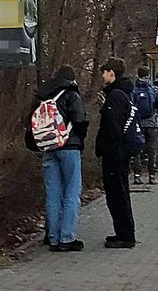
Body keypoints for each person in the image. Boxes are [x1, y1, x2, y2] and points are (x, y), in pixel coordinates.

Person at [32, 65, 88, 252]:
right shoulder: (72, 95)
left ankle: (53, 237)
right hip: (69, 147)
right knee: (72, 191)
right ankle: (67, 237)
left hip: (48, 147)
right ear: (72, 79)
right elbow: (80, 120)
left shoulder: (43, 95)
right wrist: (79, 140)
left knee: (53, 193)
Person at [95, 57, 136, 249]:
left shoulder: (116, 96)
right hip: (119, 152)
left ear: (112, 73)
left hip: (115, 153)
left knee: (117, 193)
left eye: (104, 72)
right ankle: (122, 232)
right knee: (118, 192)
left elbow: (113, 127)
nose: (102, 75)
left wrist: (106, 146)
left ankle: (125, 235)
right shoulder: (122, 94)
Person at [132, 66, 158, 185]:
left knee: (136, 150)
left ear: (138, 74)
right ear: (149, 75)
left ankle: (137, 175)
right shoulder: (153, 89)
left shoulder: (133, 89)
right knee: (152, 150)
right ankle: (152, 176)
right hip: (152, 123)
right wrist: (157, 113)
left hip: (138, 123)